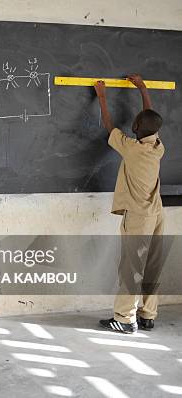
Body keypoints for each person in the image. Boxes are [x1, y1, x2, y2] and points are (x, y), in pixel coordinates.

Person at [94, 74, 165, 334]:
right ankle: (148, 314)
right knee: (152, 264)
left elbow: (109, 126)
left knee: (131, 267)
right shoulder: (157, 146)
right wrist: (143, 87)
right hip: (156, 213)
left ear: (135, 128)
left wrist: (101, 97)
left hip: (138, 217)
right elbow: (149, 116)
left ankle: (125, 319)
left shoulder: (132, 148)